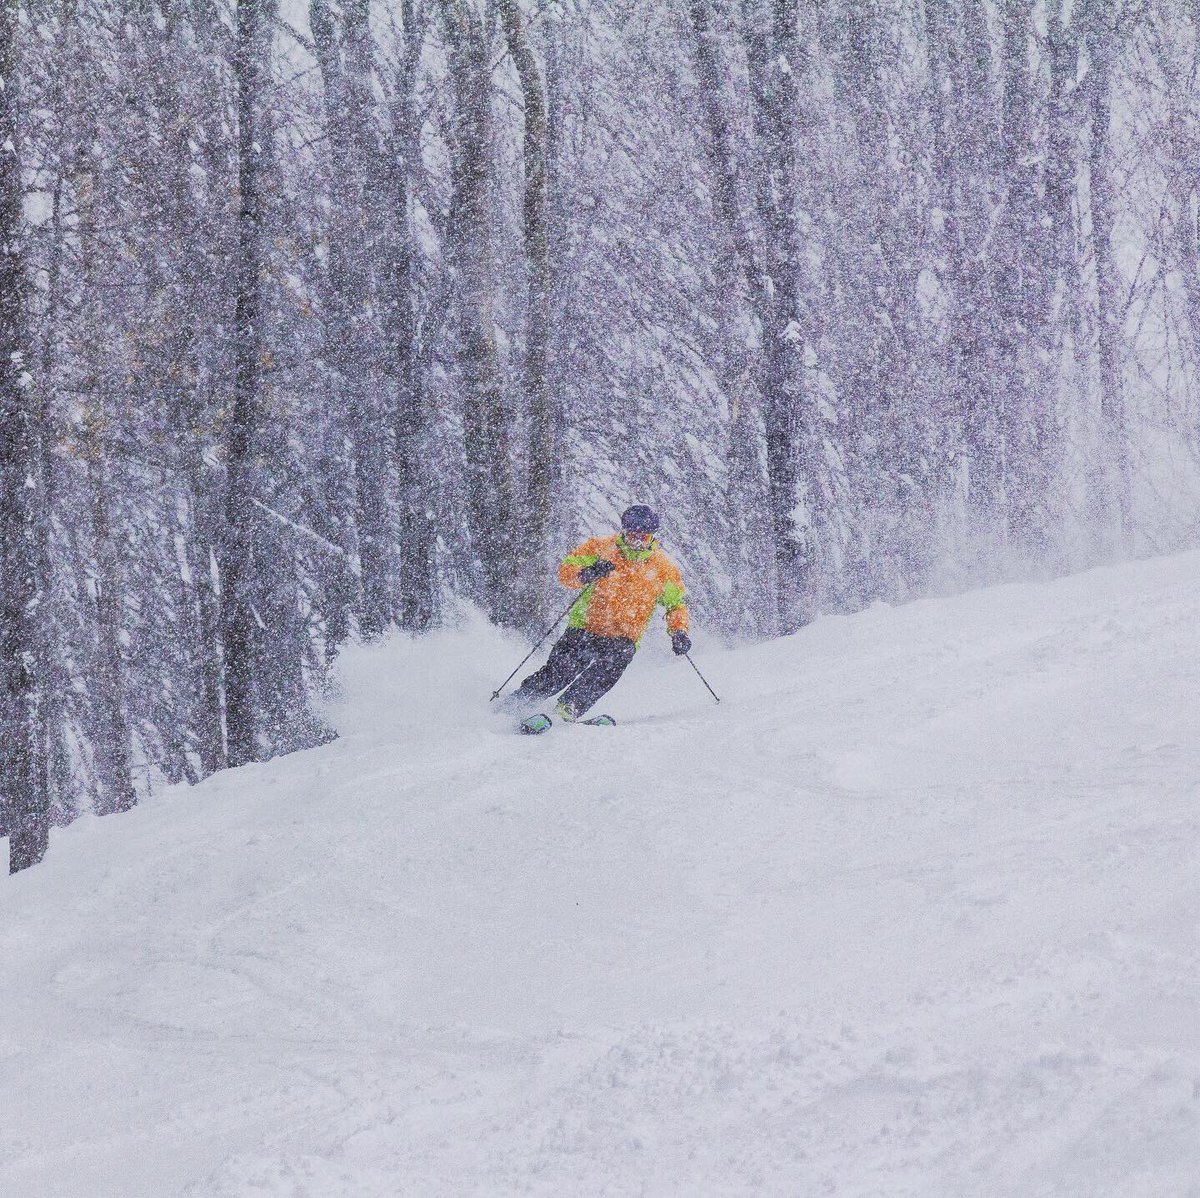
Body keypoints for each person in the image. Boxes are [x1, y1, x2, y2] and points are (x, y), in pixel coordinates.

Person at [505, 504, 692, 723]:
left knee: (604, 674)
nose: (638, 542)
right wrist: (587, 573)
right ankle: (515, 705)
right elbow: (565, 572)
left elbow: (675, 604)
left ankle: (568, 709)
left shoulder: (663, 568)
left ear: (653, 537)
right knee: (558, 673)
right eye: (633, 535)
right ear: (624, 532)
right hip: (585, 628)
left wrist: (679, 631)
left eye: (644, 536)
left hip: (624, 638)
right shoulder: (600, 548)